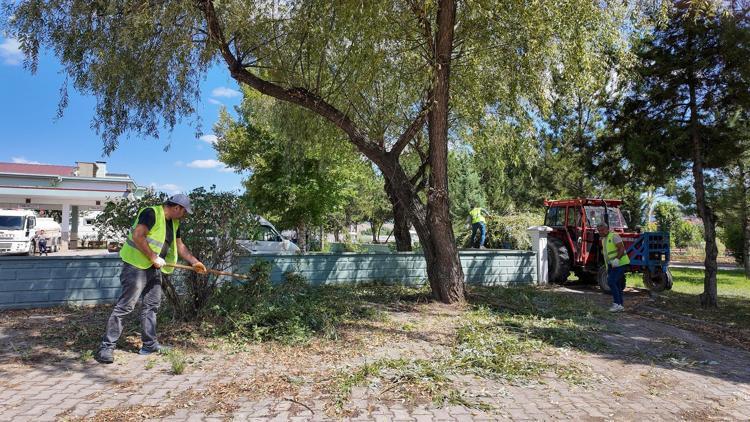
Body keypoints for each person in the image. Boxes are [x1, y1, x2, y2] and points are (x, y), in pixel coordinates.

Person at [95, 194, 207, 364]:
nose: (185, 216)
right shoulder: (151, 213)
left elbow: (180, 245)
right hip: (136, 266)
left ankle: (149, 345)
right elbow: (138, 236)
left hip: (154, 268)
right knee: (125, 306)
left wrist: (194, 262)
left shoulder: (174, 222)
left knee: (152, 305)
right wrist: (153, 257)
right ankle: (107, 347)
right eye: (184, 212)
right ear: (176, 207)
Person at [597, 223, 630, 312]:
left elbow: (621, 249)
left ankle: (616, 303)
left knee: (611, 282)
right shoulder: (604, 239)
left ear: (607, 229)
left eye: (602, 230)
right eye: (599, 230)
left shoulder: (614, 236)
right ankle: (620, 305)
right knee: (617, 284)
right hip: (612, 265)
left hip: (620, 263)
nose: (601, 232)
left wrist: (617, 259)